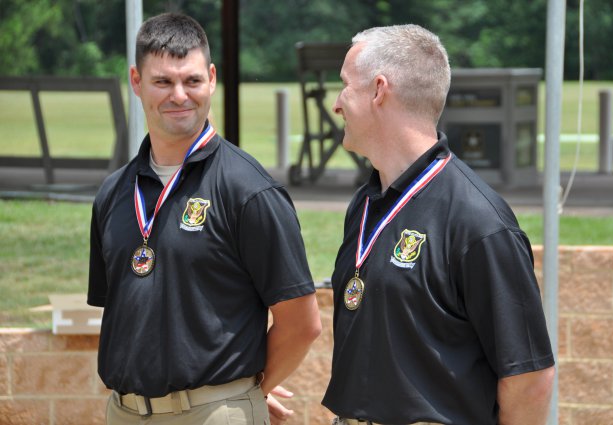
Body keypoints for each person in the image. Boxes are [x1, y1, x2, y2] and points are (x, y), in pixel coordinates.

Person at [87, 12, 321, 425]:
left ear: (211, 78)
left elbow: (301, 323)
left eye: (192, 81)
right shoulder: (114, 193)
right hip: (123, 412)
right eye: (163, 81)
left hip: (214, 414)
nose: (179, 95)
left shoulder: (249, 190)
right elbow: (130, 316)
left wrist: (247, 391)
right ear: (137, 82)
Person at [322, 24, 555, 425]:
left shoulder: (479, 221)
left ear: (379, 90)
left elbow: (529, 377)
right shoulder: (365, 203)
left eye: (345, 85)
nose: (337, 104)